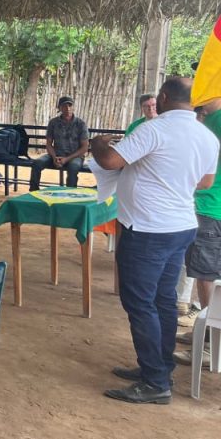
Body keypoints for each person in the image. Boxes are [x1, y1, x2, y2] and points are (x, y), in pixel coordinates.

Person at [91, 77, 218, 404]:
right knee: (162, 300)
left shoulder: (154, 129)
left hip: (147, 230)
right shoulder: (206, 136)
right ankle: (159, 367)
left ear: (162, 97)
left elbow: (110, 161)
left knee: (140, 302)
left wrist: (98, 144)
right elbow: (205, 182)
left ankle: (155, 381)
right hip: (180, 227)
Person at [173, 95, 221, 366]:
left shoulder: (216, 120)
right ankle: (205, 333)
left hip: (209, 208)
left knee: (207, 278)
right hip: (209, 207)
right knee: (207, 276)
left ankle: (211, 345)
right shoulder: (210, 119)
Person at [28, 95, 89, 190]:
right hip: (56, 155)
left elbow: (84, 147)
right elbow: (49, 144)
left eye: (70, 105)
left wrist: (66, 159)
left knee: (73, 168)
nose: (67, 108)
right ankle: (33, 191)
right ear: (59, 108)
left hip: (75, 156)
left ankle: (70, 194)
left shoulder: (80, 124)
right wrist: (54, 157)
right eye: (64, 106)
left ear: (73, 107)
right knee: (37, 163)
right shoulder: (53, 123)